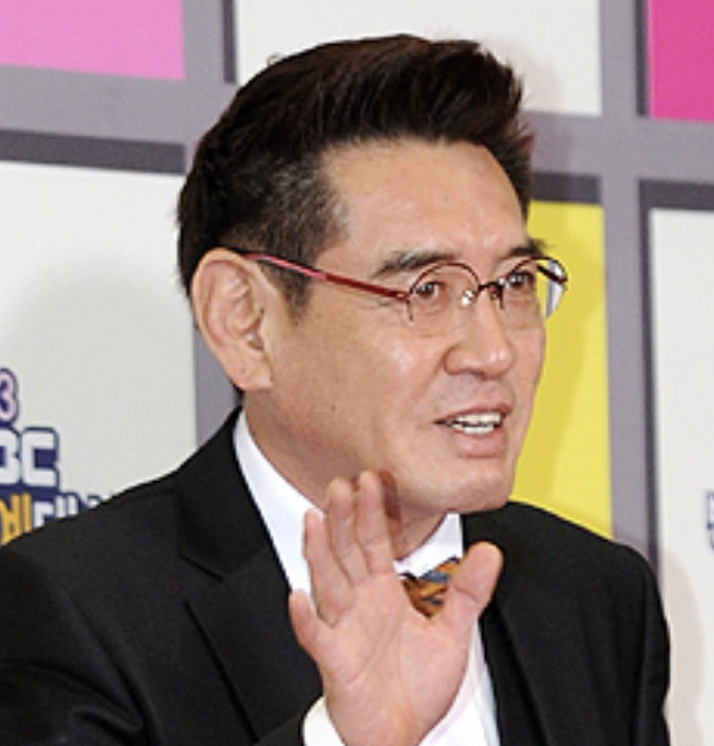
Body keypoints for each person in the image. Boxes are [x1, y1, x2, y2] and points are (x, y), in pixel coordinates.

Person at [0, 34, 669, 746]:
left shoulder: (593, 596)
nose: (494, 351)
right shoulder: (69, 611)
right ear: (246, 323)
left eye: (514, 283)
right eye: (425, 290)